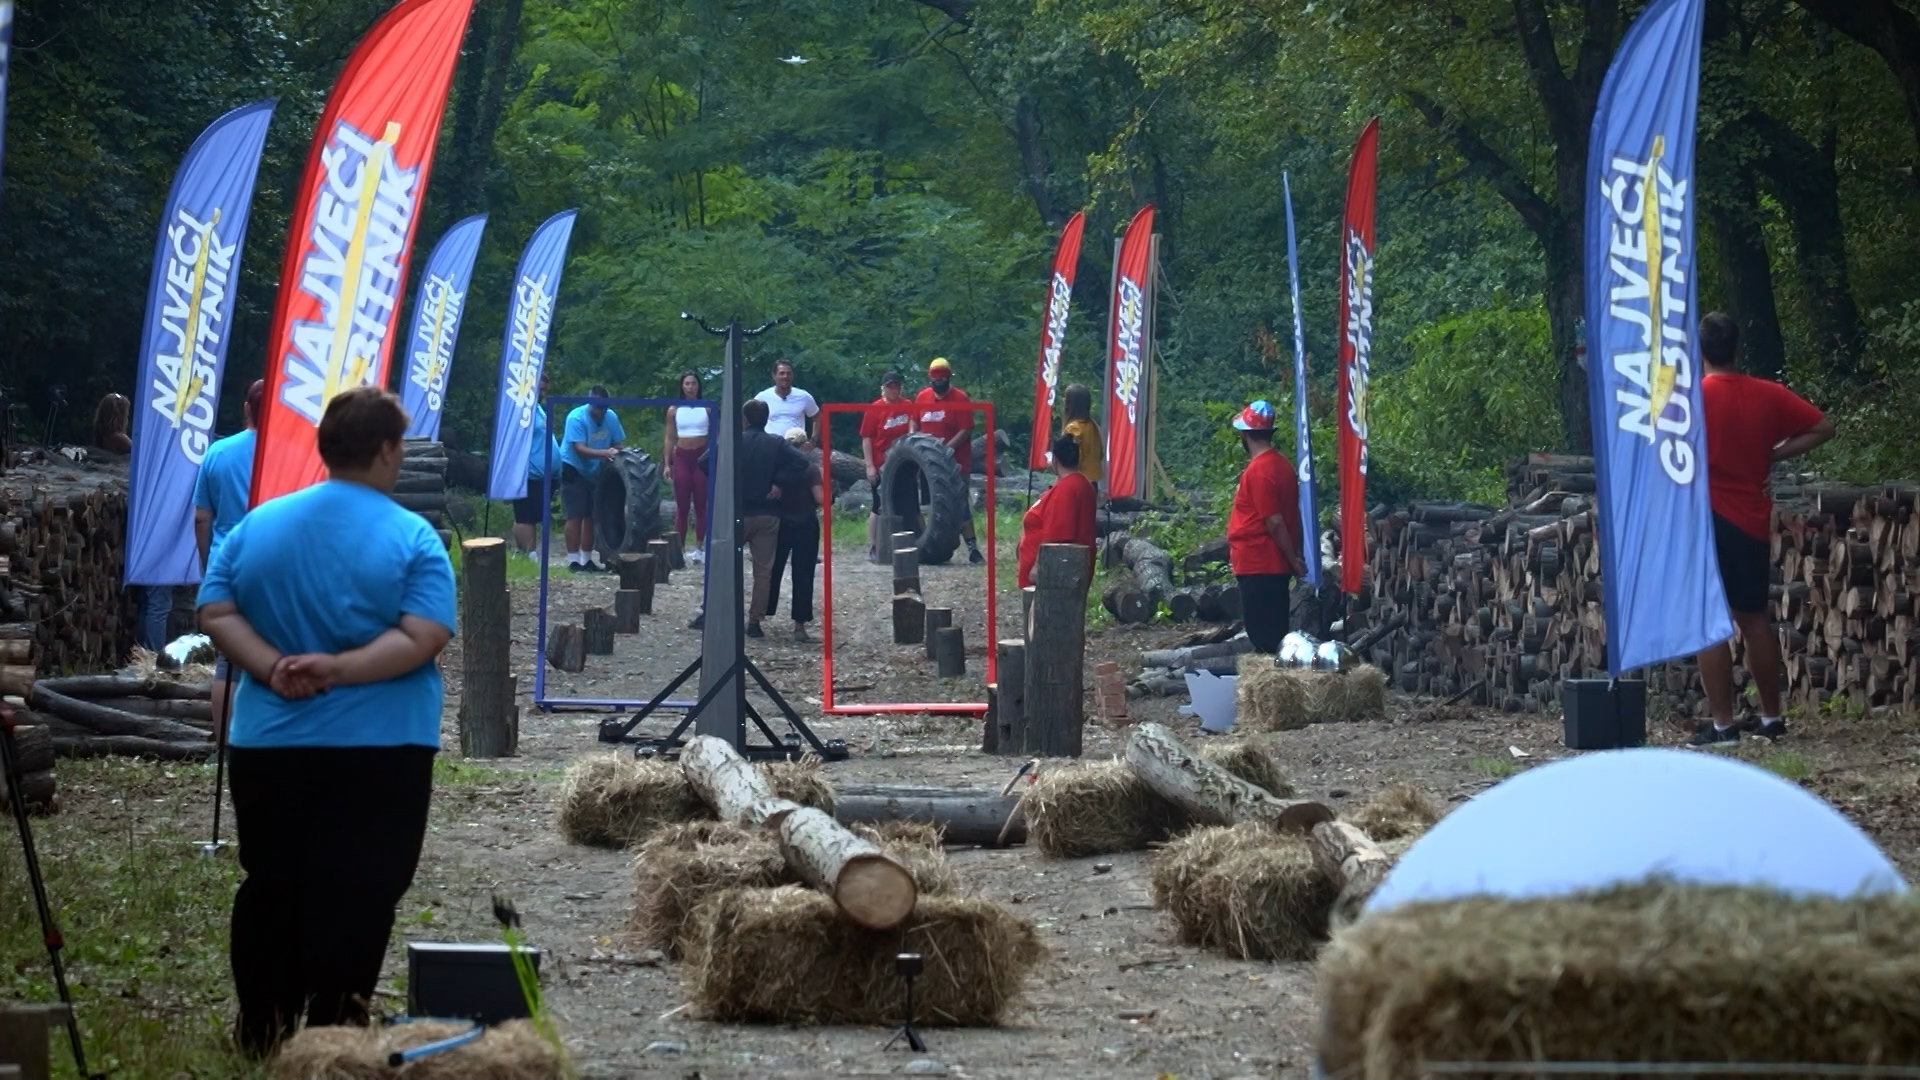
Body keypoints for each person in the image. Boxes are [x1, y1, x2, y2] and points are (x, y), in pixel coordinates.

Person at [196, 386, 454, 1057]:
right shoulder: (411, 536)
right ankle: (334, 1035)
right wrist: (340, 669)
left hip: (271, 741)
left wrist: (274, 664)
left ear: (324, 448)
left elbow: (215, 609)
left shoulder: (259, 524)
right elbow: (424, 634)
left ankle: (262, 1029)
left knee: (273, 882)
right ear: (390, 450)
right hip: (382, 745)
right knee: (364, 888)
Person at [1690, 312, 1834, 746]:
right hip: (1750, 517)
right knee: (1754, 619)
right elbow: (1824, 427)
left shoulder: (1689, 399)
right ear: (1737, 348)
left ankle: (1723, 725)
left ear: (1699, 351)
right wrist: (1773, 455)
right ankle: (1772, 718)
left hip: (1705, 518)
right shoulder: (1768, 394)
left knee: (1709, 622)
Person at [693, 399, 810, 635]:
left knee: (724, 566)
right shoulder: (775, 443)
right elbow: (801, 462)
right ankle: (754, 622)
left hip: (735, 512)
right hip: (767, 514)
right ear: (766, 419)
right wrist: (779, 482)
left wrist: (726, 479)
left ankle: (715, 614)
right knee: (763, 571)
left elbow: (703, 461)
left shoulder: (732, 442)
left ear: (744, 419)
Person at [193, 377, 266, 738]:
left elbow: (201, 517)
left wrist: (208, 564)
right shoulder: (286, 455)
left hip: (228, 561)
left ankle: (224, 741)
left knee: (229, 660)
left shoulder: (218, 453)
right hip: (274, 563)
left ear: (246, 410)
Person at [1226, 400, 1306, 655]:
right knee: (1271, 631)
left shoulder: (1259, 471)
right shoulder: (1282, 465)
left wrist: (1292, 558)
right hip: (1266, 562)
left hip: (1260, 562)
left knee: (1265, 636)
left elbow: (1274, 521)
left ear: (1245, 434)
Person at [915, 357, 984, 563]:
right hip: (926, 464)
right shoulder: (922, 398)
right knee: (929, 504)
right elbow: (914, 422)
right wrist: (913, 441)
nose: (939, 383)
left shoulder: (960, 399)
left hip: (955, 463)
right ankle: (926, 542)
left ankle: (972, 547)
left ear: (948, 378)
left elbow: (966, 428)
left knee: (960, 504)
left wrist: (945, 449)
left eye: (943, 379)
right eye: (935, 380)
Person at [766, 427, 825, 642]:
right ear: (804, 446)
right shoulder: (810, 469)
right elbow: (820, 498)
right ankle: (799, 626)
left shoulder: (776, 469)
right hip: (805, 524)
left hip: (780, 523)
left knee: (773, 570)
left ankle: (762, 614)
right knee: (803, 574)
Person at [1017, 434, 1098, 590]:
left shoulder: (1067, 489)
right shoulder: (1078, 484)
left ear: (1055, 459)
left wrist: (1039, 566)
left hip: (1054, 578)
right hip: (1064, 573)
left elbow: (1057, 538)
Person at [559, 385, 624, 572]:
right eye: (596, 408)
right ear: (590, 404)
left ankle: (587, 559)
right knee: (574, 514)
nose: (599, 412)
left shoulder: (610, 417)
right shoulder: (576, 418)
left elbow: (618, 443)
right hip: (574, 467)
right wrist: (605, 452)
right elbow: (579, 448)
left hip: (595, 470)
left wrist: (619, 454)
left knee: (591, 515)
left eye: (603, 408)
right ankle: (573, 560)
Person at [859, 371, 914, 559]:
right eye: (890, 386)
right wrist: (869, 466)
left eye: (896, 386)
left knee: (909, 503)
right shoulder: (875, 409)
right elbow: (866, 438)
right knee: (878, 505)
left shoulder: (908, 406)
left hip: (904, 462)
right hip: (882, 462)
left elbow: (914, 429)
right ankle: (874, 545)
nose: (893, 389)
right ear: (883, 388)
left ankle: (912, 543)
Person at [664, 371, 711, 565]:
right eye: (687, 384)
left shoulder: (707, 408)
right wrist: (667, 463)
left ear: (698, 386)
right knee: (682, 506)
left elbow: (715, 436)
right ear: (682, 386)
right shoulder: (674, 409)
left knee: (701, 505)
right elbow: (668, 437)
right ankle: (680, 548)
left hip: (701, 457)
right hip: (682, 456)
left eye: (693, 383)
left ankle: (699, 547)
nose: (690, 387)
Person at [511, 373, 558, 557]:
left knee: (534, 516)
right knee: (525, 516)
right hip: (528, 473)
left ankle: (522, 552)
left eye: (545, 389)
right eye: (540, 389)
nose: (543, 393)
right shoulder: (522, 409)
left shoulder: (537, 408)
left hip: (544, 475)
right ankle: (530, 556)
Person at [753, 358, 818, 441]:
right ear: (774, 375)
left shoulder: (803, 396)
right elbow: (749, 418)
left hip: (796, 446)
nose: (785, 376)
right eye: (781, 373)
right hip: (771, 445)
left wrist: (813, 440)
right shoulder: (762, 397)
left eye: (789, 373)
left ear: (793, 375)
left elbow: (817, 417)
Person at [1058, 383, 1104, 490]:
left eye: (1065, 398)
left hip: (1077, 483)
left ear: (1069, 404)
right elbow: (1100, 453)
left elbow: (1068, 460)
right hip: (1093, 483)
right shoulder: (1094, 425)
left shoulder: (1073, 429)